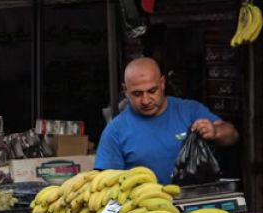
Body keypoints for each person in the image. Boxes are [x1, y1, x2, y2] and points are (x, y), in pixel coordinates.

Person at [95, 57, 238, 184]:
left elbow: (232, 136)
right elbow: (106, 182)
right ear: (125, 90)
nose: (145, 100)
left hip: (195, 203)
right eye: (137, 94)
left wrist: (216, 131)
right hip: (147, 209)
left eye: (152, 91)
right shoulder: (115, 130)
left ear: (162, 83)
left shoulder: (189, 111)